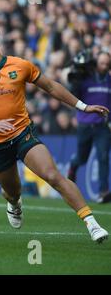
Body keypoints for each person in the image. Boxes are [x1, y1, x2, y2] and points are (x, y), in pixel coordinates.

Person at [0, 19, 109, 243]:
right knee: (13, 190)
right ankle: (13, 203)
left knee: (53, 176)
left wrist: (83, 106)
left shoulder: (20, 65)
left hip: (23, 134)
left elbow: (50, 87)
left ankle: (92, 223)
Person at [67, 51, 111, 203]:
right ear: (96, 63)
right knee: (82, 158)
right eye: (102, 63)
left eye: (107, 64)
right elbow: (73, 94)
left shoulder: (109, 80)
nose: (104, 66)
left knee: (103, 157)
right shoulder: (85, 79)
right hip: (85, 124)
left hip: (103, 126)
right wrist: (77, 75)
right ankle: (73, 166)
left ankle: (103, 191)